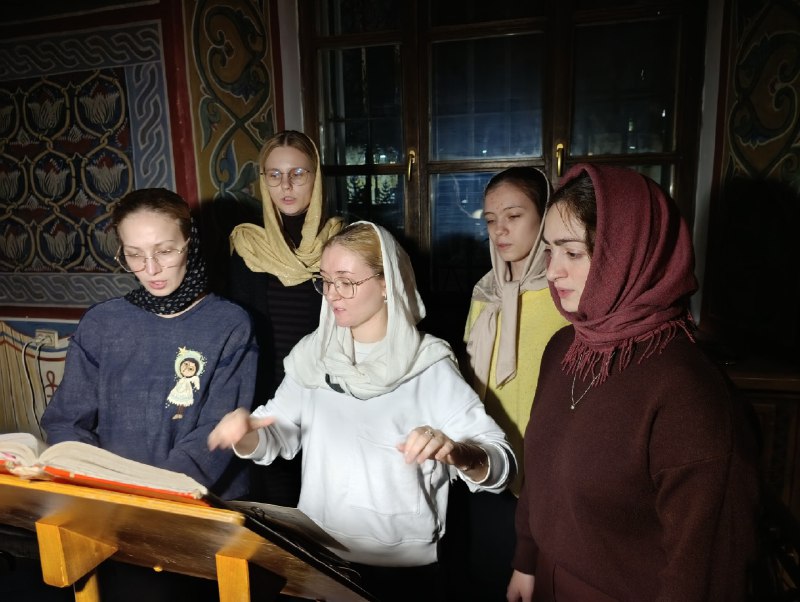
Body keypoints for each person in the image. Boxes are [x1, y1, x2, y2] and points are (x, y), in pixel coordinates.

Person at [209, 221, 515, 602]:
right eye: (325, 281)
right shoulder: (314, 356)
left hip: (403, 571)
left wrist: (457, 451)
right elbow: (277, 433)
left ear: (387, 283)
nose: (332, 294)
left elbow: (502, 464)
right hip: (320, 558)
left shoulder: (428, 365)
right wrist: (247, 433)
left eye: (346, 282)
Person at [507, 164, 760, 601]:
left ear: (626, 253)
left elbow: (704, 567)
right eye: (549, 251)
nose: (552, 272)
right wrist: (527, 560)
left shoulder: (688, 391)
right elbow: (541, 472)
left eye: (572, 253)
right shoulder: (565, 347)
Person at [40, 188, 258, 601]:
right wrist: (99, 483)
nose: (151, 268)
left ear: (190, 243)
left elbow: (218, 427)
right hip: (116, 510)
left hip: (200, 507)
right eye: (134, 255)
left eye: (166, 251)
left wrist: (153, 494)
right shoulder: (102, 323)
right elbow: (67, 419)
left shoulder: (229, 323)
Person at [459, 167, 568, 599]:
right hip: (489, 465)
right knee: (487, 578)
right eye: (490, 219)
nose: (499, 230)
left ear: (544, 217)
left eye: (514, 216)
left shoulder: (565, 294)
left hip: (547, 476)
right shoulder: (484, 293)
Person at [227, 129, 343, 505]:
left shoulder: (345, 242)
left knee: (331, 504)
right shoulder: (247, 247)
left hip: (332, 396)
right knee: (279, 507)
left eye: (298, 173)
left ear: (317, 176)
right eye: (274, 175)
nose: (286, 185)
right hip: (269, 399)